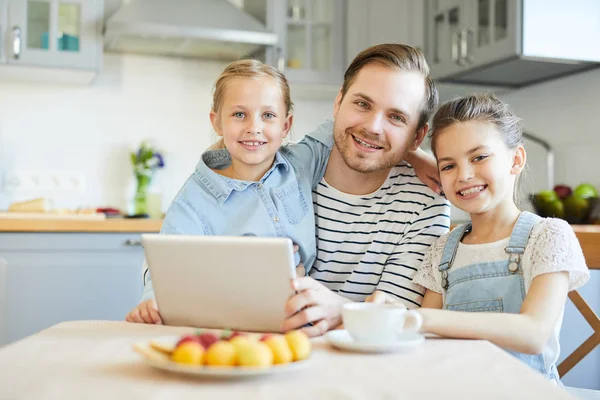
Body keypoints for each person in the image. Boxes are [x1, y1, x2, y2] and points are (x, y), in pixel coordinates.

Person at [369, 93, 590, 384]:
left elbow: (533, 334)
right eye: (448, 166)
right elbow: (422, 341)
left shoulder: (548, 236)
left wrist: (421, 319)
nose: (464, 175)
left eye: (479, 157)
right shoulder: (442, 250)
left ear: (516, 159)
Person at [126, 59, 332, 324]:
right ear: (217, 122)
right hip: (234, 325)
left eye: (268, 115)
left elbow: (344, 124)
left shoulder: (301, 162)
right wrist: (151, 303)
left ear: (285, 125)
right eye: (239, 114)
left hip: (305, 325)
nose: (254, 127)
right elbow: (169, 268)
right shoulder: (194, 200)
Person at [281, 44, 451, 337]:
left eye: (396, 117)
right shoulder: (281, 175)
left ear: (418, 136)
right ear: (338, 103)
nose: (373, 127)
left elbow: (398, 318)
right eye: (362, 104)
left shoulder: (426, 200)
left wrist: (340, 310)